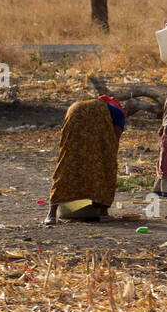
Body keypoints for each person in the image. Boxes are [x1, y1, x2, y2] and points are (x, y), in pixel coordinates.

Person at [44, 97, 124, 226]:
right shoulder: (119, 114)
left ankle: (51, 215)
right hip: (77, 114)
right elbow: (114, 140)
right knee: (104, 167)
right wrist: (108, 159)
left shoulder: (86, 104)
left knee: (67, 164)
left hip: (74, 111)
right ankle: (103, 214)